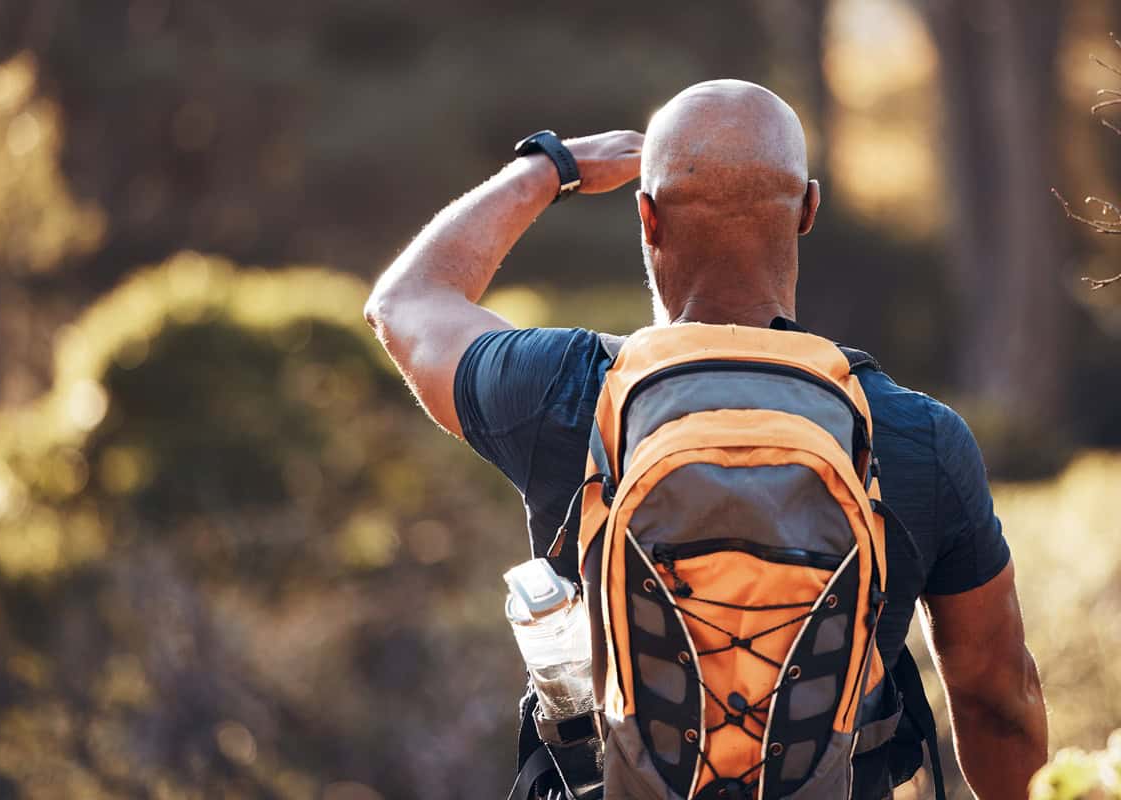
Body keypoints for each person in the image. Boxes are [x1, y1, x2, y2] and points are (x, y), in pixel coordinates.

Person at [364, 79, 1047, 799]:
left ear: (647, 218)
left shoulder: (563, 390)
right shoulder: (915, 434)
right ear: (807, 209)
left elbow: (404, 302)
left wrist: (552, 167)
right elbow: (998, 699)